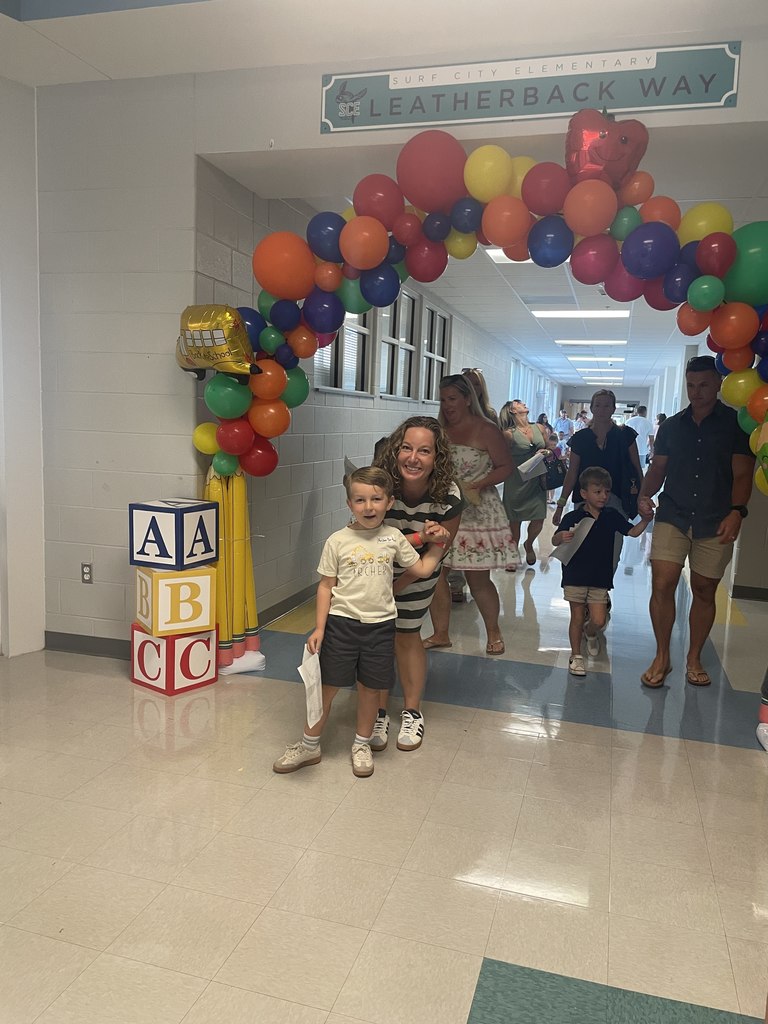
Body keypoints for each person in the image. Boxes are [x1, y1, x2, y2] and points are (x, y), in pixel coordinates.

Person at [272, 466, 445, 777]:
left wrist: (439, 546)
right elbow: (326, 586)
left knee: (369, 689)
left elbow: (419, 569)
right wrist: (320, 628)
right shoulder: (337, 540)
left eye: (376, 499)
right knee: (326, 687)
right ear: (349, 503)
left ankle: (362, 744)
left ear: (389, 502)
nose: (369, 507)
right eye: (360, 500)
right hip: (341, 625)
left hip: (380, 628)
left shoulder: (393, 537)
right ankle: (309, 745)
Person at [637, 355, 755, 688]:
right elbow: (657, 468)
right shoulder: (672, 426)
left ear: (718, 384)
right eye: (691, 385)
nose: (696, 392)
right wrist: (644, 496)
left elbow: (742, 473)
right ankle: (662, 656)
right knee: (662, 583)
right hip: (672, 514)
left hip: (716, 517)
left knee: (704, 589)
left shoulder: (736, 425)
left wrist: (737, 511)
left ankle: (694, 656)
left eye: (703, 385)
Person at [371, 416, 464, 752]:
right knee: (378, 636)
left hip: (419, 571)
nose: (413, 457)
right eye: (407, 448)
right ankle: (377, 711)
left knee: (407, 634)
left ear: (437, 457)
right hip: (375, 568)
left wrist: (396, 587)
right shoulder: (379, 485)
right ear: (396, 450)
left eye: (424, 451)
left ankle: (412, 711)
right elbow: (368, 538)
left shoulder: (449, 497)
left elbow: (433, 557)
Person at [423, 374, 517, 655]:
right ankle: (441, 633)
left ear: (466, 399)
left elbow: (505, 467)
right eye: (443, 400)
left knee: (478, 579)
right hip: (444, 508)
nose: (447, 405)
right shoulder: (439, 430)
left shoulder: (486, 429)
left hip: (477, 511)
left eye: (452, 399)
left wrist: (476, 484)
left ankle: (493, 631)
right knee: (434, 572)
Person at [553, 466, 653, 676]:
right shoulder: (574, 517)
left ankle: (590, 633)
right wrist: (560, 537)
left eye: (606, 492)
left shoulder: (611, 516)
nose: (603, 496)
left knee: (598, 620)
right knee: (577, 615)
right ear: (584, 493)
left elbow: (632, 532)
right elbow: (556, 538)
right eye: (597, 492)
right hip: (575, 575)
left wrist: (645, 520)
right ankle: (576, 656)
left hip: (600, 577)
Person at [552, 389, 645, 542]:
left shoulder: (625, 435)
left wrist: (642, 497)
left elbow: (637, 469)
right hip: (585, 498)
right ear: (592, 408)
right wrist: (561, 504)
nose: (602, 410)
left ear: (614, 408)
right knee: (583, 544)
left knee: (612, 547)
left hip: (616, 496)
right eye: (598, 405)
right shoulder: (580, 438)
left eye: (607, 406)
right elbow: (572, 473)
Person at [499, 399, 547, 569]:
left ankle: (529, 544)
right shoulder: (508, 434)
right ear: (512, 411)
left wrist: (545, 452)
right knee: (515, 521)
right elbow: (501, 457)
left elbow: (549, 447)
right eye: (519, 403)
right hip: (516, 480)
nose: (524, 404)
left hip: (536, 478)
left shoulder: (539, 428)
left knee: (539, 519)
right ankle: (512, 554)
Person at [544, 431, 567, 505]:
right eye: (551, 444)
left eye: (554, 445)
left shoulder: (557, 449)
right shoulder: (546, 449)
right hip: (547, 467)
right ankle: (547, 498)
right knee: (548, 483)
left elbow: (559, 457)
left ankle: (551, 498)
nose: (552, 446)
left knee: (553, 484)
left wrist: (566, 456)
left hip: (553, 468)